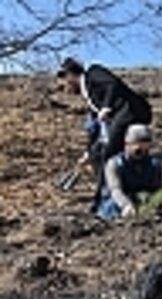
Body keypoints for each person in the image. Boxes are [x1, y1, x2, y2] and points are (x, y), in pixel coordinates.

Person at [57, 58, 153, 210]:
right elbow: (96, 128)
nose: (64, 89)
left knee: (109, 154)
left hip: (131, 111)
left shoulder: (93, 73)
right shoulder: (89, 97)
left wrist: (107, 106)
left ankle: (102, 200)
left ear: (69, 75)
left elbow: (113, 83)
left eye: (63, 84)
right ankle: (122, 195)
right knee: (99, 154)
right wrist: (88, 152)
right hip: (120, 118)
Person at [97, 124, 162, 220]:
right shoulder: (115, 164)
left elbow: (157, 190)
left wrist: (153, 206)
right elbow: (115, 190)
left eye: (144, 143)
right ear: (127, 144)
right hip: (116, 205)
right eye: (135, 143)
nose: (139, 147)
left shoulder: (154, 165)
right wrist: (126, 205)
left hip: (142, 202)